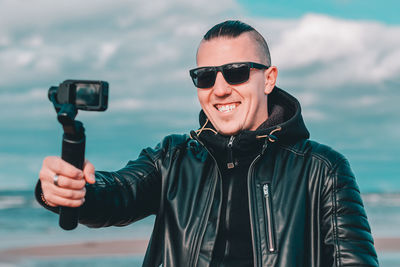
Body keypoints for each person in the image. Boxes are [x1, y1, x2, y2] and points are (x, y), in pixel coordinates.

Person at [36, 20, 379, 266]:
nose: (219, 89)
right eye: (204, 76)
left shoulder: (322, 168)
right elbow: (113, 195)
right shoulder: (172, 158)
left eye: (236, 72)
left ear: (269, 79)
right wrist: (63, 188)